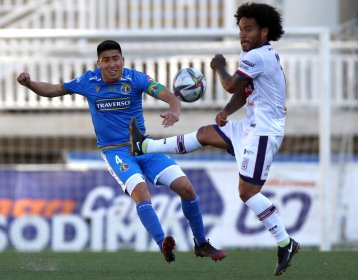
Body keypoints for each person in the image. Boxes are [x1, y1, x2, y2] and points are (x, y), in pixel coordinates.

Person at [16, 40, 226, 263]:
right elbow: (55, 89)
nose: (112, 64)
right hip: (115, 152)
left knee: (186, 188)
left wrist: (175, 110)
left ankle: (201, 243)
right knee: (141, 192)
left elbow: (166, 93)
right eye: (106, 60)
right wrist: (30, 84)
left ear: (122, 60)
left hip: (144, 147)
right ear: (99, 63)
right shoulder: (89, 81)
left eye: (116, 59)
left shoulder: (135, 78)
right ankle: (163, 242)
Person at [130, 2, 299, 276]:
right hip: (250, 127)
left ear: (265, 31)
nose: (243, 34)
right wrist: (227, 111)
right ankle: (145, 146)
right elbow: (243, 92)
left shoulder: (257, 56)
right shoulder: (261, 54)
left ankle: (285, 242)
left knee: (247, 193)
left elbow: (232, 84)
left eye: (249, 29)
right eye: (241, 29)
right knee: (205, 134)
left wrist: (219, 66)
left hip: (264, 134)